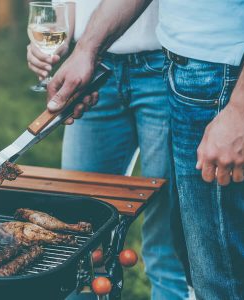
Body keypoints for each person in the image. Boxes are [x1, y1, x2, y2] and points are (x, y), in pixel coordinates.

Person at [42, 0, 244, 299]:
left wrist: (240, 109)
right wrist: (86, 49)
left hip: (219, 75)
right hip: (186, 71)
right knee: (207, 273)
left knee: (220, 276)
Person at [27, 1, 190, 299]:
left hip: (166, 65)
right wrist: (61, 35)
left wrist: (83, 49)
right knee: (79, 229)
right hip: (91, 68)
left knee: (165, 234)